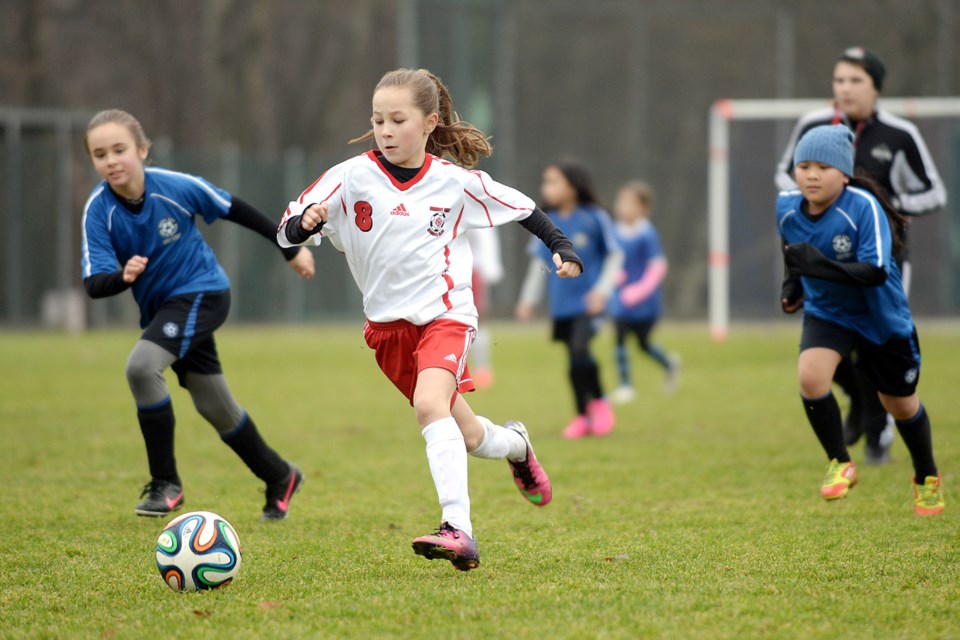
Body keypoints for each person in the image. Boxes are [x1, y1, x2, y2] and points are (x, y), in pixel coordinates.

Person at [277, 68, 583, 571]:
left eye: (398, 119)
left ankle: (458, 528)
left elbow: (524, 208)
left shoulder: (453, 182)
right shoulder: (349, 177)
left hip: (446, 316)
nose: (386, 130)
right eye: (378, 120)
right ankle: (518, 447)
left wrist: (562, 247)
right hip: (386, 331)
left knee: (428, 405)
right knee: (466, 435)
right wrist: (301, 225)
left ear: (429, 122)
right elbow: (288, 232)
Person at [81, 109, 313, 521]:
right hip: (164, 311)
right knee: (215, 408)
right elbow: (95, 283)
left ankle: (166, 483)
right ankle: (281, 476)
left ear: (142, 150)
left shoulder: (174, 187)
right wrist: (122, 276)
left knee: (140, 368)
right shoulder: (99, 211)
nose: (111, 160)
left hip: (203, 293)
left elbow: (236, 209)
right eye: (100, 154)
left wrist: (290, 248)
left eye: (120, 149)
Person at [775, 47, 947, 465]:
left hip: (881, 263)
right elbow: (783, 174)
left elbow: (935, 192)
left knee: (875, 353)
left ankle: (879, 435)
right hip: (822, 261)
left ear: (875, 86)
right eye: (839, 80)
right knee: (827, 350)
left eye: (855, 80)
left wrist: (888, 206)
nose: (845, 89)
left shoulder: (900, 132)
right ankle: (857, 410)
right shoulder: (811, 124)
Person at [516, 161, 622, 439]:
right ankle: (581, 417)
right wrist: (528, 299)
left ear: (573, 186)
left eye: (553, 182)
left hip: (590, 303)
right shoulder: (546, 221)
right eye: (545, 182)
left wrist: (602, 291)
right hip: (561, 304)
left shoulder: (595, 216)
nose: (546, 188)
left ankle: (598, 404)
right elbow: (538, 265)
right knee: (574, 358)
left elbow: (614, 255)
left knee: (579, 349)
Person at [608, 181, 680, 403]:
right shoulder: (614, 231)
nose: (622, 207)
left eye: (629, 203)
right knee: (619, 339)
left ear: (642, 208)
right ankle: (625, 385)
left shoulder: (647, 234)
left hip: (644, 303)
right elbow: (611, 260)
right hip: (621, 299)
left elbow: (658, 266)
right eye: (621, 202)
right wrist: (613, 276)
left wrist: (639, 291)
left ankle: (669, 363)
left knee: (643, 343)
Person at [466, 227, 504, 388]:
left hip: (472, 269)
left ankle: (482, 369)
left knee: (478, 319)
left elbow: (485, 235)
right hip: (446, 269)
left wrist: (490, 269)